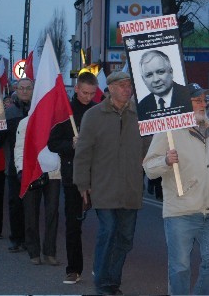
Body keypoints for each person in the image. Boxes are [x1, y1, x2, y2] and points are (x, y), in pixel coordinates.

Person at [143, 83, 209, 295]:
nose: (203, 104)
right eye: (197, 100)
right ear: (184, 104)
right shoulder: (169, 130)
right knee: (180, 266)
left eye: (204, 100)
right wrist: (164, 160)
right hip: (181, 210)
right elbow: (149, 168)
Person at [74, 71, 150, 295]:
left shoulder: (140, 115)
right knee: (108, 230)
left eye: (130, 85)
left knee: (125, 238)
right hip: (103, 186)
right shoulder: (94, 115)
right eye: (123, 85)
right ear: (111, 88)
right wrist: (82, 184)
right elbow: (83, 152)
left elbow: (149, 147)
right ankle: (103, 282)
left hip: (130, 187)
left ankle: (112, 280)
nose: (127, 89)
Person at [48, 71, 98, 284]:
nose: (88, 97)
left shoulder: (99, 111)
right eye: (85, 92)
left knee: (107, 224)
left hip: (99, 176)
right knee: (73, 225)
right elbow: (52, 144)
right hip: (73, 177)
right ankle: (73, 269)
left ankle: (103, 267)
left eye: (92, 93)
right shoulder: (64, 112)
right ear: (76, 89)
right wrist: (71, 145)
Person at [15, 116, 61, 266]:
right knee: (31, 213)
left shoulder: (60, 120)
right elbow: (20, 147)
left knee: (52, 213)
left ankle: (50, 252)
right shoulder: (25, 122)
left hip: (54, 173)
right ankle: (33, 251)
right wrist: (21, 169)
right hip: (32, 172)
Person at [4, 77, 33, 252]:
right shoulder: (8, 112)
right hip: (14, 165)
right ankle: (16, 238)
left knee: (31, 205)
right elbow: (0, 140)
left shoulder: (38, 110)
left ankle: (30, 240)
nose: (24, 91)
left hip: (34, 164)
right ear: (16, 89)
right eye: (21, 88)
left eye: (28, 88)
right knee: (15, 202)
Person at [136, 50, 192, 120]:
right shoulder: (142, 106)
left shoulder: (189, 97)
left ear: (171, 72)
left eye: (160, 72)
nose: (156, 80)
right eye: (149, 75)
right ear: (143, 79)